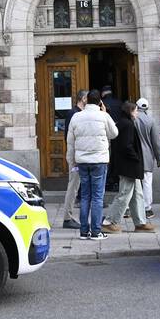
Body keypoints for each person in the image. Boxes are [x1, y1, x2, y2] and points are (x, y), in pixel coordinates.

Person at [66, 89, 118, 240]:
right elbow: (114, 133)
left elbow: (71, 142)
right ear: (100, 102)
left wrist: (71, 161)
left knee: (85, 197)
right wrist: (105, 112)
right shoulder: (103, 116)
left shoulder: (76, 117)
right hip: (99, 161)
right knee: (97, 197)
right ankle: (95, 231)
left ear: (86, 100)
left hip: (82, 161)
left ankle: (84, 231)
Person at [104, 100, 151, 232]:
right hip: (129, 166)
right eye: (135, 110)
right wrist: (136, 158)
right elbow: (126, 146)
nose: (137, 113)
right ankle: (109, 221)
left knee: (137, 194)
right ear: (130, 111)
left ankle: (140, 222)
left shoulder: (122, 123)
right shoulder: (128, 125)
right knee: (125, 193)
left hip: (128, 165)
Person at [59, 92, 88, 230]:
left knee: (76, 186)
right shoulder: (74, 113)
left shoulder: (78, 113)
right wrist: (74, 157)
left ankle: (70, 217)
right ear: (83, 99)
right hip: (75, 156)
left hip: (78, 155)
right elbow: (70, 138)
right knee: (73, 186)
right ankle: (67, 218)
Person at [134, 97, 160, 218]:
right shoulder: (151, 120)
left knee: (132, 183)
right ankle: (147, 208)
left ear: (136, 106)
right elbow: (156, 143)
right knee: (146, 183)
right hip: (147, 156)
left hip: (134, 155)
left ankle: (131, 207)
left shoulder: (133, 119)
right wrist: (159, 158)